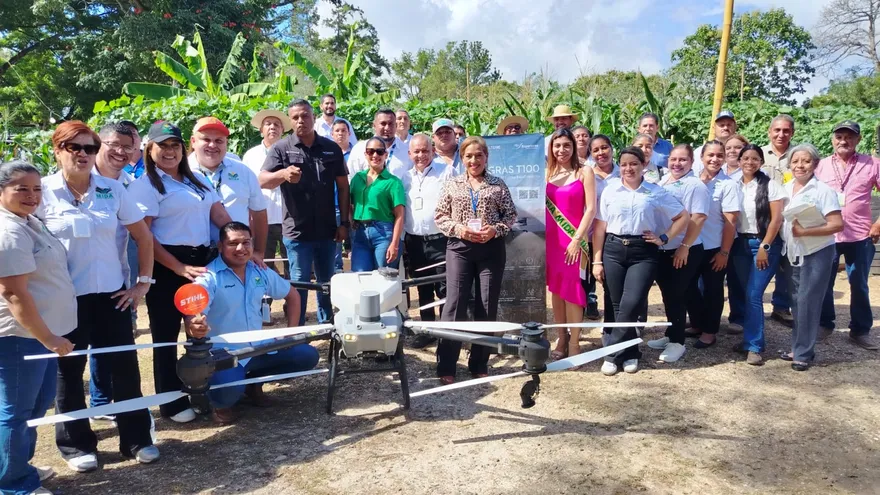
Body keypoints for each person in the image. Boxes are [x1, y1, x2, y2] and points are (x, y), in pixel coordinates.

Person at [40, 121, 158, 471]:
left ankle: (136, 439)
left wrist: (143, 283)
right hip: (64, 300)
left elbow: (144, 238)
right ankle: (76, 446)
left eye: (89, 148)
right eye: (73, 147)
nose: (82, 155)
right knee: (69, 374)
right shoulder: (41, 192)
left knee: (125, 370)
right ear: (57, 150)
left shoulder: (113, 190)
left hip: (112, 297)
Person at [128, 121, 233, 423]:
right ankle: (170, 402)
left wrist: (241, 242)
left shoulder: (197, 178)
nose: (170, 151)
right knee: (165, 336)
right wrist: (177, 266)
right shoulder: (145, 185)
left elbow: (219, 214)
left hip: (201, 261)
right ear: (150, 149)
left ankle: (200, 392)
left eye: (174, 145)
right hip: (168, 264)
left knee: (199, 332)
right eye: (163, 145)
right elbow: (145, 237)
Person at [185, 222, 320, 423]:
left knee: (307, 355)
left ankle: (252, 385)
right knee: (228, 391)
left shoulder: (260, 270)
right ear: (220, 247)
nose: (241, 248)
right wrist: (195, 325)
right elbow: (193, 315)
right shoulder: (208, 277)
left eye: (246, 242)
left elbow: (292, 296)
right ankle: (219, 402)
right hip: (223, 355)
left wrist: (292, 332)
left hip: (257, 349)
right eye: (233, 243)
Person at [0, 160, 76, 495]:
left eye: (36, 189)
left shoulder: (28, 221)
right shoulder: (9, 231)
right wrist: (48, 338)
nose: (32, 195)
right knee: (16, 412)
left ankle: (18, 466)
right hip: (22, 337)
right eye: (21, 189)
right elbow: (13, 292)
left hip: (41, 336)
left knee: (33, 406)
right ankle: (13, 484)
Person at [591, 147, 688, 375]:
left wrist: (664, 238)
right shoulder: (610, 191)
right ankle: (629, 353)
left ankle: (612, 353)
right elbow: (600, 226)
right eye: (624, 164)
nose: (628, 169)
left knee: (631, 303)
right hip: (613, 249)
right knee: (616, 304)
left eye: (634, 164)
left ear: (644, 165)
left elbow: (683, 216)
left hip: (643, 252)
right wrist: (597, 260)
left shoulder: (655, 191)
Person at [434, 136, 517, 384]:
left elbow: (511, 215)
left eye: (478, 155)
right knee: (455, 305)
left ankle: (479, 362)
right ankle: (446, 364)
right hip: (460, 248)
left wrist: (495, 229)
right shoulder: (452, 184)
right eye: (469, 156)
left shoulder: (497, 185)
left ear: (486, 157)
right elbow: (440, 216)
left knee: (486, 304)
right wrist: (460, 230)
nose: (474, 160)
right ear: (462, 158)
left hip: (490, 249)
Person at [259, 99, 349, 326]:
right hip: (296, 231)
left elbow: (343, 186)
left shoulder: (331, 148)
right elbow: (262, 180)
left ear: (313, 117)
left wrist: (344, 223)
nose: (301, 121)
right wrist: (283, 174)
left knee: (327, 283)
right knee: (299, 284)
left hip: (328, 230)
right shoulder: (281, 148)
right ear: (290, 121)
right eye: (296, 117)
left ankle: (327, 327)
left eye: (305, 116)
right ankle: (297, 331)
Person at [87, 122, 140, 420]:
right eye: (114, 145)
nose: (120, 152)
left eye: (128, 147)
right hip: (75, 283)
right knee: (79, 351)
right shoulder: (75, 182)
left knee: (113, 344)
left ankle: (103, 402)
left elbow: (142, 237)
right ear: (99, 144)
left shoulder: (130, 184)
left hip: (117, 277)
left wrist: (140, 281)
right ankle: (97, 403)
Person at [816, 120, 880, 350]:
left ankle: (860, 330)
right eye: (839, 136)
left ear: (858, 140)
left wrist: (878, 224)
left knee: (859, 284)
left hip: (861, 235)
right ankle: (824, 324)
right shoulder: (820, 166)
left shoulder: (872, 164)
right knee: (824, 282)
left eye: (849, 137)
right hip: (827, 236)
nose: (844, 141)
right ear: (833, 139)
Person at [780, 144, 843, 370]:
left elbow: (837, 224)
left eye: (806, 161)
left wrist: (805, 232)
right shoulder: (785, 188)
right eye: (795, 161)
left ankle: (804, 353)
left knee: (809, 301)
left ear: (815, 164)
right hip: (792, 253)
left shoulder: (823, 191)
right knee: (797, 302)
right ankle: (799, 347)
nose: (800, 165)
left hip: (816, 252)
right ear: (789, 164)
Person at [645, 145, 708, 363]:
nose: (677, 164)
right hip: (663, 248)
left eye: (683, 160)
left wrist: (685, 247)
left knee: (677, 296)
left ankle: (678, 342)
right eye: (673, 159)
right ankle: (671, 334)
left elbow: (698, 218)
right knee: (668, 295)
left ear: (692, 162)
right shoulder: (663, 181)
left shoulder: (695, 185)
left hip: (684, 249)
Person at [729, 145, 787, 366]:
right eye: (745, 158)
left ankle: (755, 346)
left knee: (754, 294)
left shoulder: (771, 185)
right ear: (739, 160)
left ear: (761, 162)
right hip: (740, 244)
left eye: (755, 158)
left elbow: (776, 220)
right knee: (746, 293)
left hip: (763, 244)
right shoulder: (733, 184)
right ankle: (747, 341)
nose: (749, 162)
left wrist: (765, 246)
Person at [545, 129, 596, 360]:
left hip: (574, 241)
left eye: (566, 145)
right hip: (552, 242)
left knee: (573, 292)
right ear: (551, 148)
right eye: (557, 146)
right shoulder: (546, 173)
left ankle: (575, 343)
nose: (561, 150)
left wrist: (577, 240)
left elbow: (591, 209)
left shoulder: (585, 171)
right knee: (556, 291)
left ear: (574, 147)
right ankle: (561, 337)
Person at [685, 141, 741, 349]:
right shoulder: (690, 181)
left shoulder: (728, 185)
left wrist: (724, 252)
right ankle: (698, 323)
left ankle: (710, 331)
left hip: (714, 247)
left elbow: (731, 221)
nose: (714, 159)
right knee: (688, 287)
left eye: (719, 155)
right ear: (702, 157)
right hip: (691, 245)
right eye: (710, 155)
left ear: (725, 158)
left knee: (712, 290)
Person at [402, 134, 454, 348]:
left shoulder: (446, 172)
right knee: (422, 287)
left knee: (444, 287)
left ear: (432, 151)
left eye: (425, 151)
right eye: (416, 151)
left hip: (440, 240)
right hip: (414, 241)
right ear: (409, 154)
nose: (421, 155)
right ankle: (427, 330)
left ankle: (445, 331)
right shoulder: (404, 178)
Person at [189, 117, 268, 258]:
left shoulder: (243, 171)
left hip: (236, 255)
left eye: (219, 141)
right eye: (206, 140)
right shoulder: (181, 172)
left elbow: (259, 212)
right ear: (193, 142)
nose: (212, 145)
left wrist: (259, 251)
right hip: (193, 257)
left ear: (226, 143)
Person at [243, 109, 292, 280]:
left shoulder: (291, 152)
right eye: (268, 124)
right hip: (262, 218)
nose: (272, 127)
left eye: (277, 124)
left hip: (289, 218)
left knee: (292, 264)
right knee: (263, 263)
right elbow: (246, 187)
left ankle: (293, 304)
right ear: (261, 130)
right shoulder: (251, 155)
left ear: (283, 130)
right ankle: (265, 305)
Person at [349, 137, 406, 272]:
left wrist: (395, 244)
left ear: (385, 155)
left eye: (380, 152)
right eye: (371, 151)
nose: (375, 155)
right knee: (360, 275)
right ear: (365, 154)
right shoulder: (357, 178)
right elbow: (349, 202)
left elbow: (399, 215)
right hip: (360, 233)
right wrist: (351, 220)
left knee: (383, 278)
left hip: (383, 233)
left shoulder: (393, 182)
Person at [763, 115, 797, 328]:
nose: (781, 134)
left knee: (787, 265)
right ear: (769, 132)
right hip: (763, 217)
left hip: (791, 217)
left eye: (786, 131)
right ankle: (749, 306)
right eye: (777, 130)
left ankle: (781, 307)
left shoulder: (798, 155)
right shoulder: (760, 154)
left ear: (792, 133)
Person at [586, 135, 620, 321]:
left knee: (612, 286)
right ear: (591, 154)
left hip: (614, 238)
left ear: (612, 148)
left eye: (604, 147)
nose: (601, 153)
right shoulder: (587, 174)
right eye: (596, 150)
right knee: (585, 283)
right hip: (590, 238)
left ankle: (612, 326)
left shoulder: (624, 173)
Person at [347, 109, 413, 180]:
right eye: (383, 124)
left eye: (391, 124)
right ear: (374, 125)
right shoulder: (359, 149)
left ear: (396, 126)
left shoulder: (406, 152)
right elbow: (350, 178)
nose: (387, 128)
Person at [331, 119, 354, 272]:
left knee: (356, 242)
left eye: (343, 130)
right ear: (332, 134)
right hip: (334, 205)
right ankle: (337, 274)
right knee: (335, 245)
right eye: (337, 131)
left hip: (355, 205)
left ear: (349, 133)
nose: (340, 133)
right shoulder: (328, 153)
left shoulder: (358, 153)